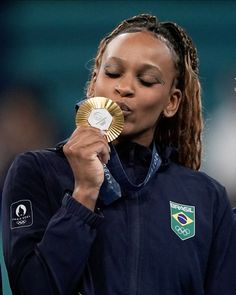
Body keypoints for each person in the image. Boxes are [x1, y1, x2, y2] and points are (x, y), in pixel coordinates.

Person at [1, 13, 236, 295]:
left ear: (171, 102)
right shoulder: (38, 171)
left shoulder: (206, 198)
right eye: (112, 73)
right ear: (92, 84)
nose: (124, 87)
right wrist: (84, 193)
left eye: (146, 80)